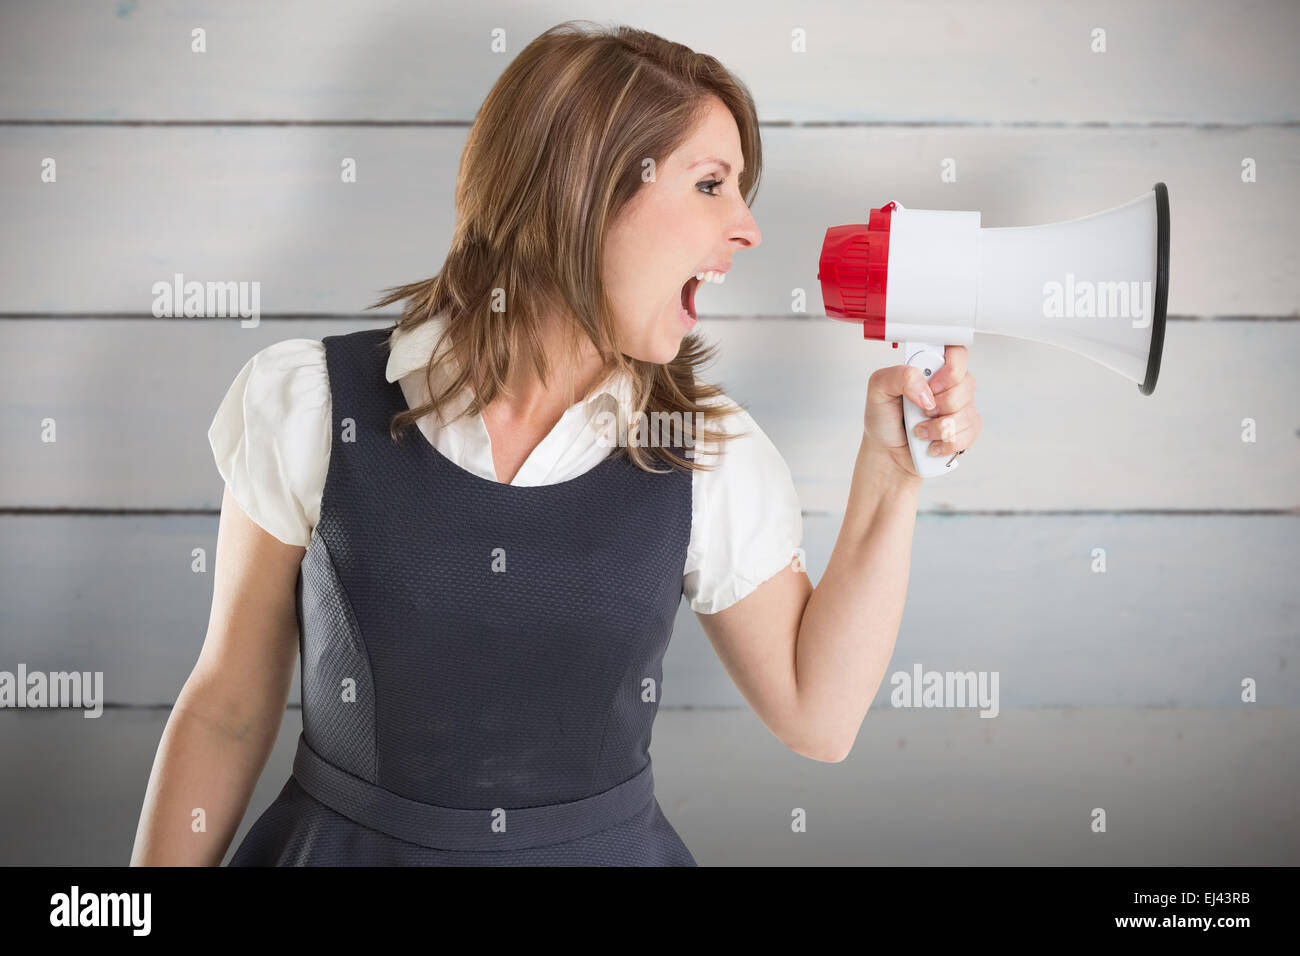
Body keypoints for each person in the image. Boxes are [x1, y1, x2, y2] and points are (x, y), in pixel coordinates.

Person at [130, 21, 980, 867]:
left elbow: (818, 718)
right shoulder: (310, 404)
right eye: (712, 185)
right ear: (587, 187)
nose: (748, 230)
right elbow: (227, 712)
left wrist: (893, 470)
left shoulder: (708, 455)